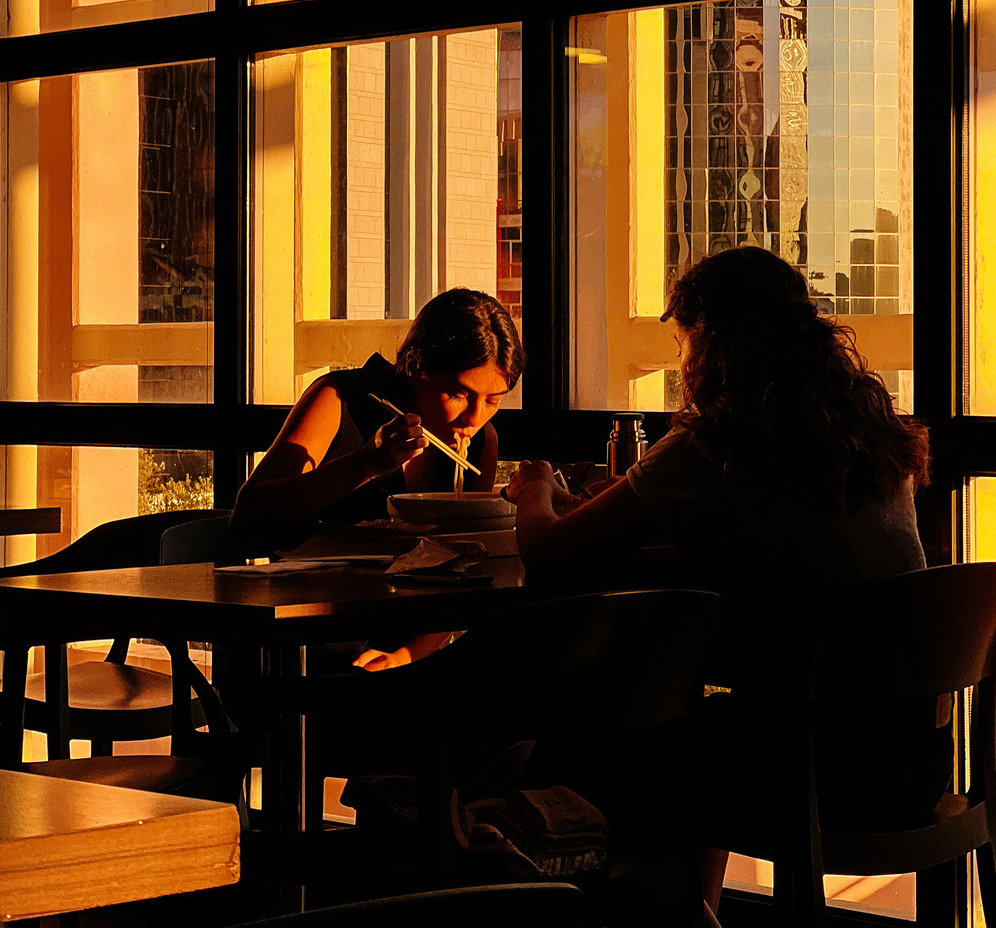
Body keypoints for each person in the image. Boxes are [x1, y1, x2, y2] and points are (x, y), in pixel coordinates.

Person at [507, 247, 944, 926]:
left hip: (803, 771)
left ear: (708, 340)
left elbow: (550, 559)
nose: (682, 366)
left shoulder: (715, 446)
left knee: (609, 733)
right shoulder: (876, 440)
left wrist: (534, 490)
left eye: (683, 344)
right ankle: (694, 909)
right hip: (905, 764)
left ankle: (602, 910)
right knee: (704, 721)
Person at [232, 286, 524, 670]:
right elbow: (248, 519)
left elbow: (465, 571)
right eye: (458, 394)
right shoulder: (341, 399)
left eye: (493, 400)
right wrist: (366, 463)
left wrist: (404, 656)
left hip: (398, 649)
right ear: (416, 367)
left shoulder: (482, 440)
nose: (474, 417)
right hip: (299, 638)